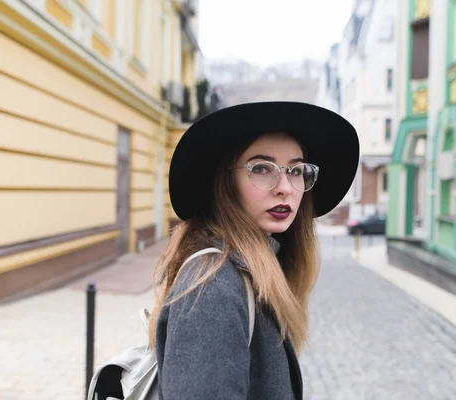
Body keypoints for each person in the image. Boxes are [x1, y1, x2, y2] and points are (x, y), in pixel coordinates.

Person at [148, 101, 359, 399]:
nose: (285, 186)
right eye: (261, 168)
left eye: (296, 170)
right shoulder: (212, 289)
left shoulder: (253, 273)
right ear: (225, 181)